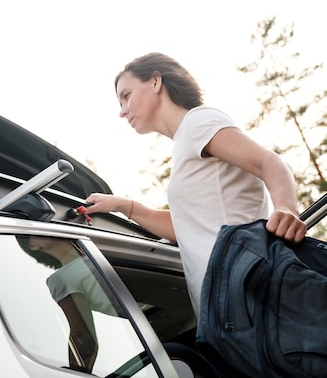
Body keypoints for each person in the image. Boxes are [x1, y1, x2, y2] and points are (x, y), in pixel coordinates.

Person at [84, 52, 307, 317]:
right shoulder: (185, 141)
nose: (122, 111)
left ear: (155, 82)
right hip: (224, 306)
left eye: (126, 95)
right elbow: (188, 228)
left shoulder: (197, 122)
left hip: (246, 292)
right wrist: (124, 206)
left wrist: (287, 209)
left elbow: (269, 162)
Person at [17, 235, 118, 373]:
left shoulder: (99, 248)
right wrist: (75, 373)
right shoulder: (62, 279)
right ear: (33, 245)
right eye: (34, 231)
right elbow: (83, 337)